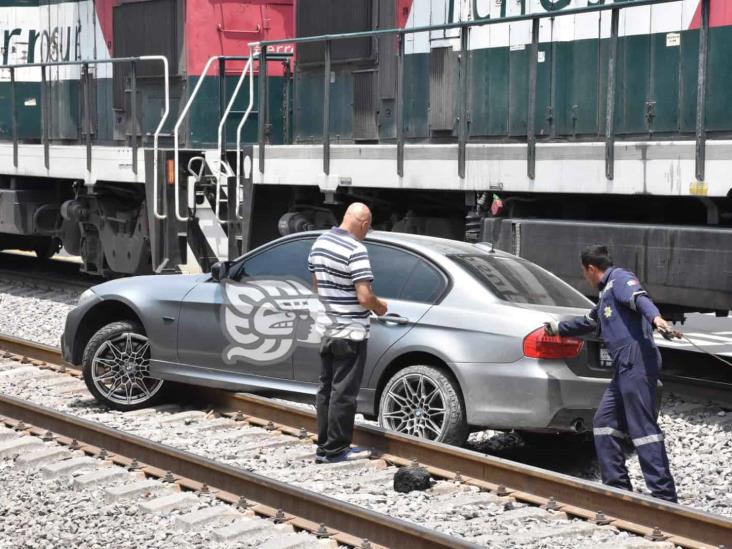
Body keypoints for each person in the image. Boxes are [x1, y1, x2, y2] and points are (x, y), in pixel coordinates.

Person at [545, 245, 678, 502]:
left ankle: (664, 496)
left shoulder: (619, 278)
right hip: (623, 368)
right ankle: (617, 489)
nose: (586, 277)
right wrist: (558, 328)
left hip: (637, 362)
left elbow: (640, 298)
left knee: (643, 429)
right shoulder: (606, 293)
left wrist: (657, 320)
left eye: (585, 273)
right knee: (604, 423)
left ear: (591, 268)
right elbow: (589, 322)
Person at [307, 203, 388, 463]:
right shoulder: (356, 249)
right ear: (364, 224)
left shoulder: (320, 242)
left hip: (327, 329)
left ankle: (324, 445)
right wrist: (380, 307)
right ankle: (336, 450)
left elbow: (317, 284)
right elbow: (364, 297)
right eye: (369, 227)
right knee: (344, 393)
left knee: (327, 389)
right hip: (351, 332)